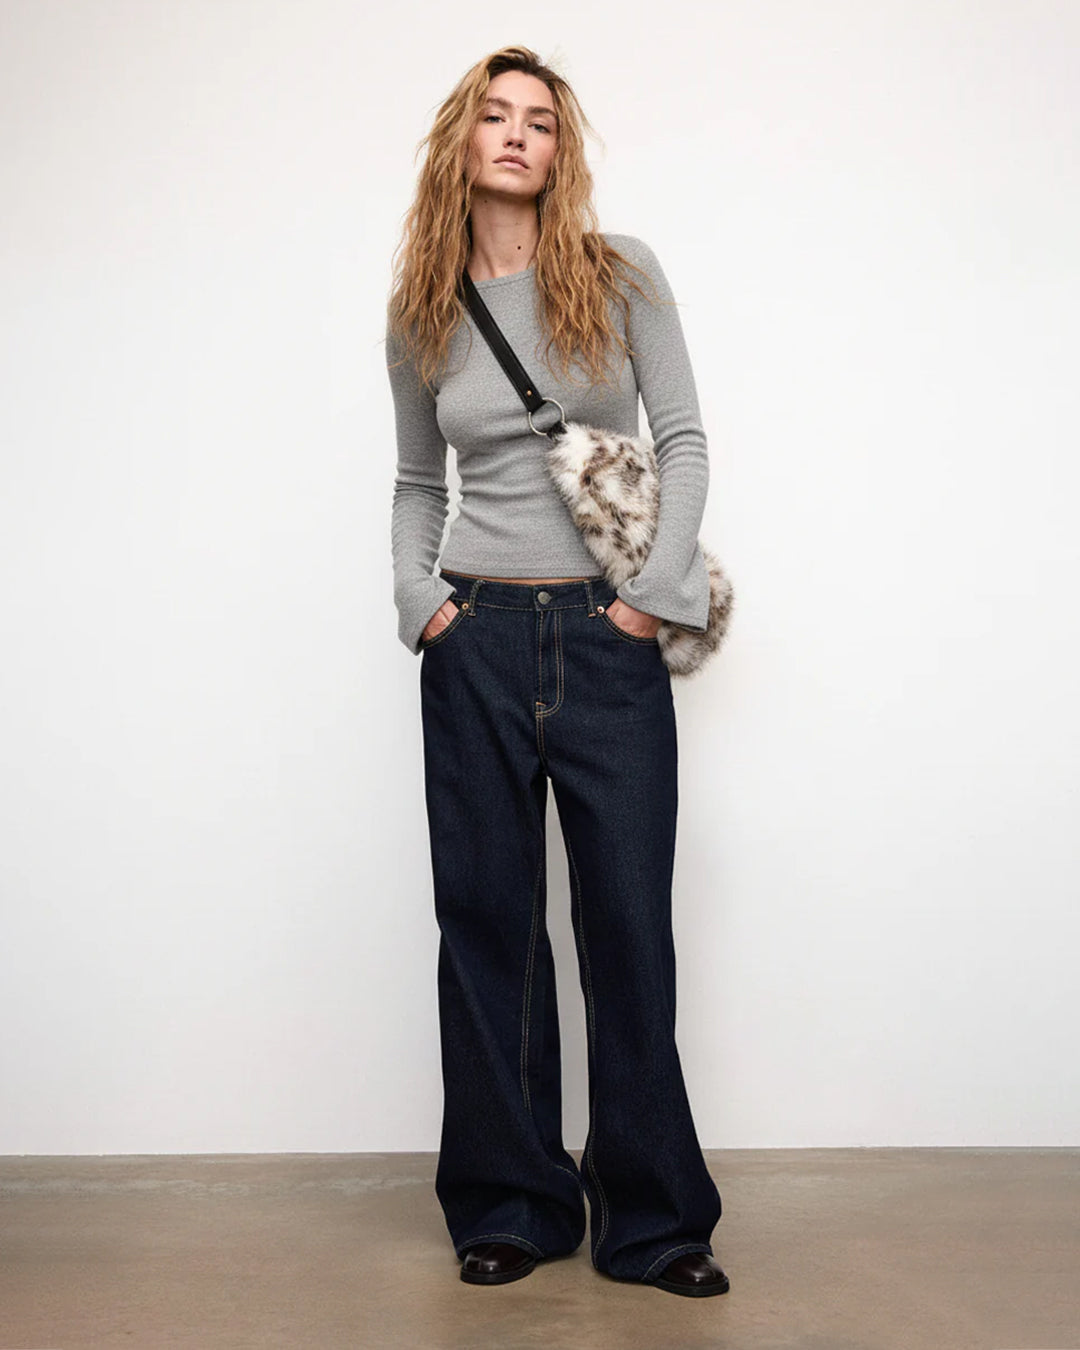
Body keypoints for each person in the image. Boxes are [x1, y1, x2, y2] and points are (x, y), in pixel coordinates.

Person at [384, 46, 729, 1299]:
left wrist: (644, 603)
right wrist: (422, 606)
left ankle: (655, 1220)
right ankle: (510, 1204)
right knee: (488, 930)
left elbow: (682, 441)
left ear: (558, 148)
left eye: (539, 119)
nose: (518, 134)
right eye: (497, 115)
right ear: (462, 140)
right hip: (474, 635)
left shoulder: (621, 272)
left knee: (627, 926)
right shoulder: (422, 311)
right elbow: (417, 484)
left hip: (605, 637)